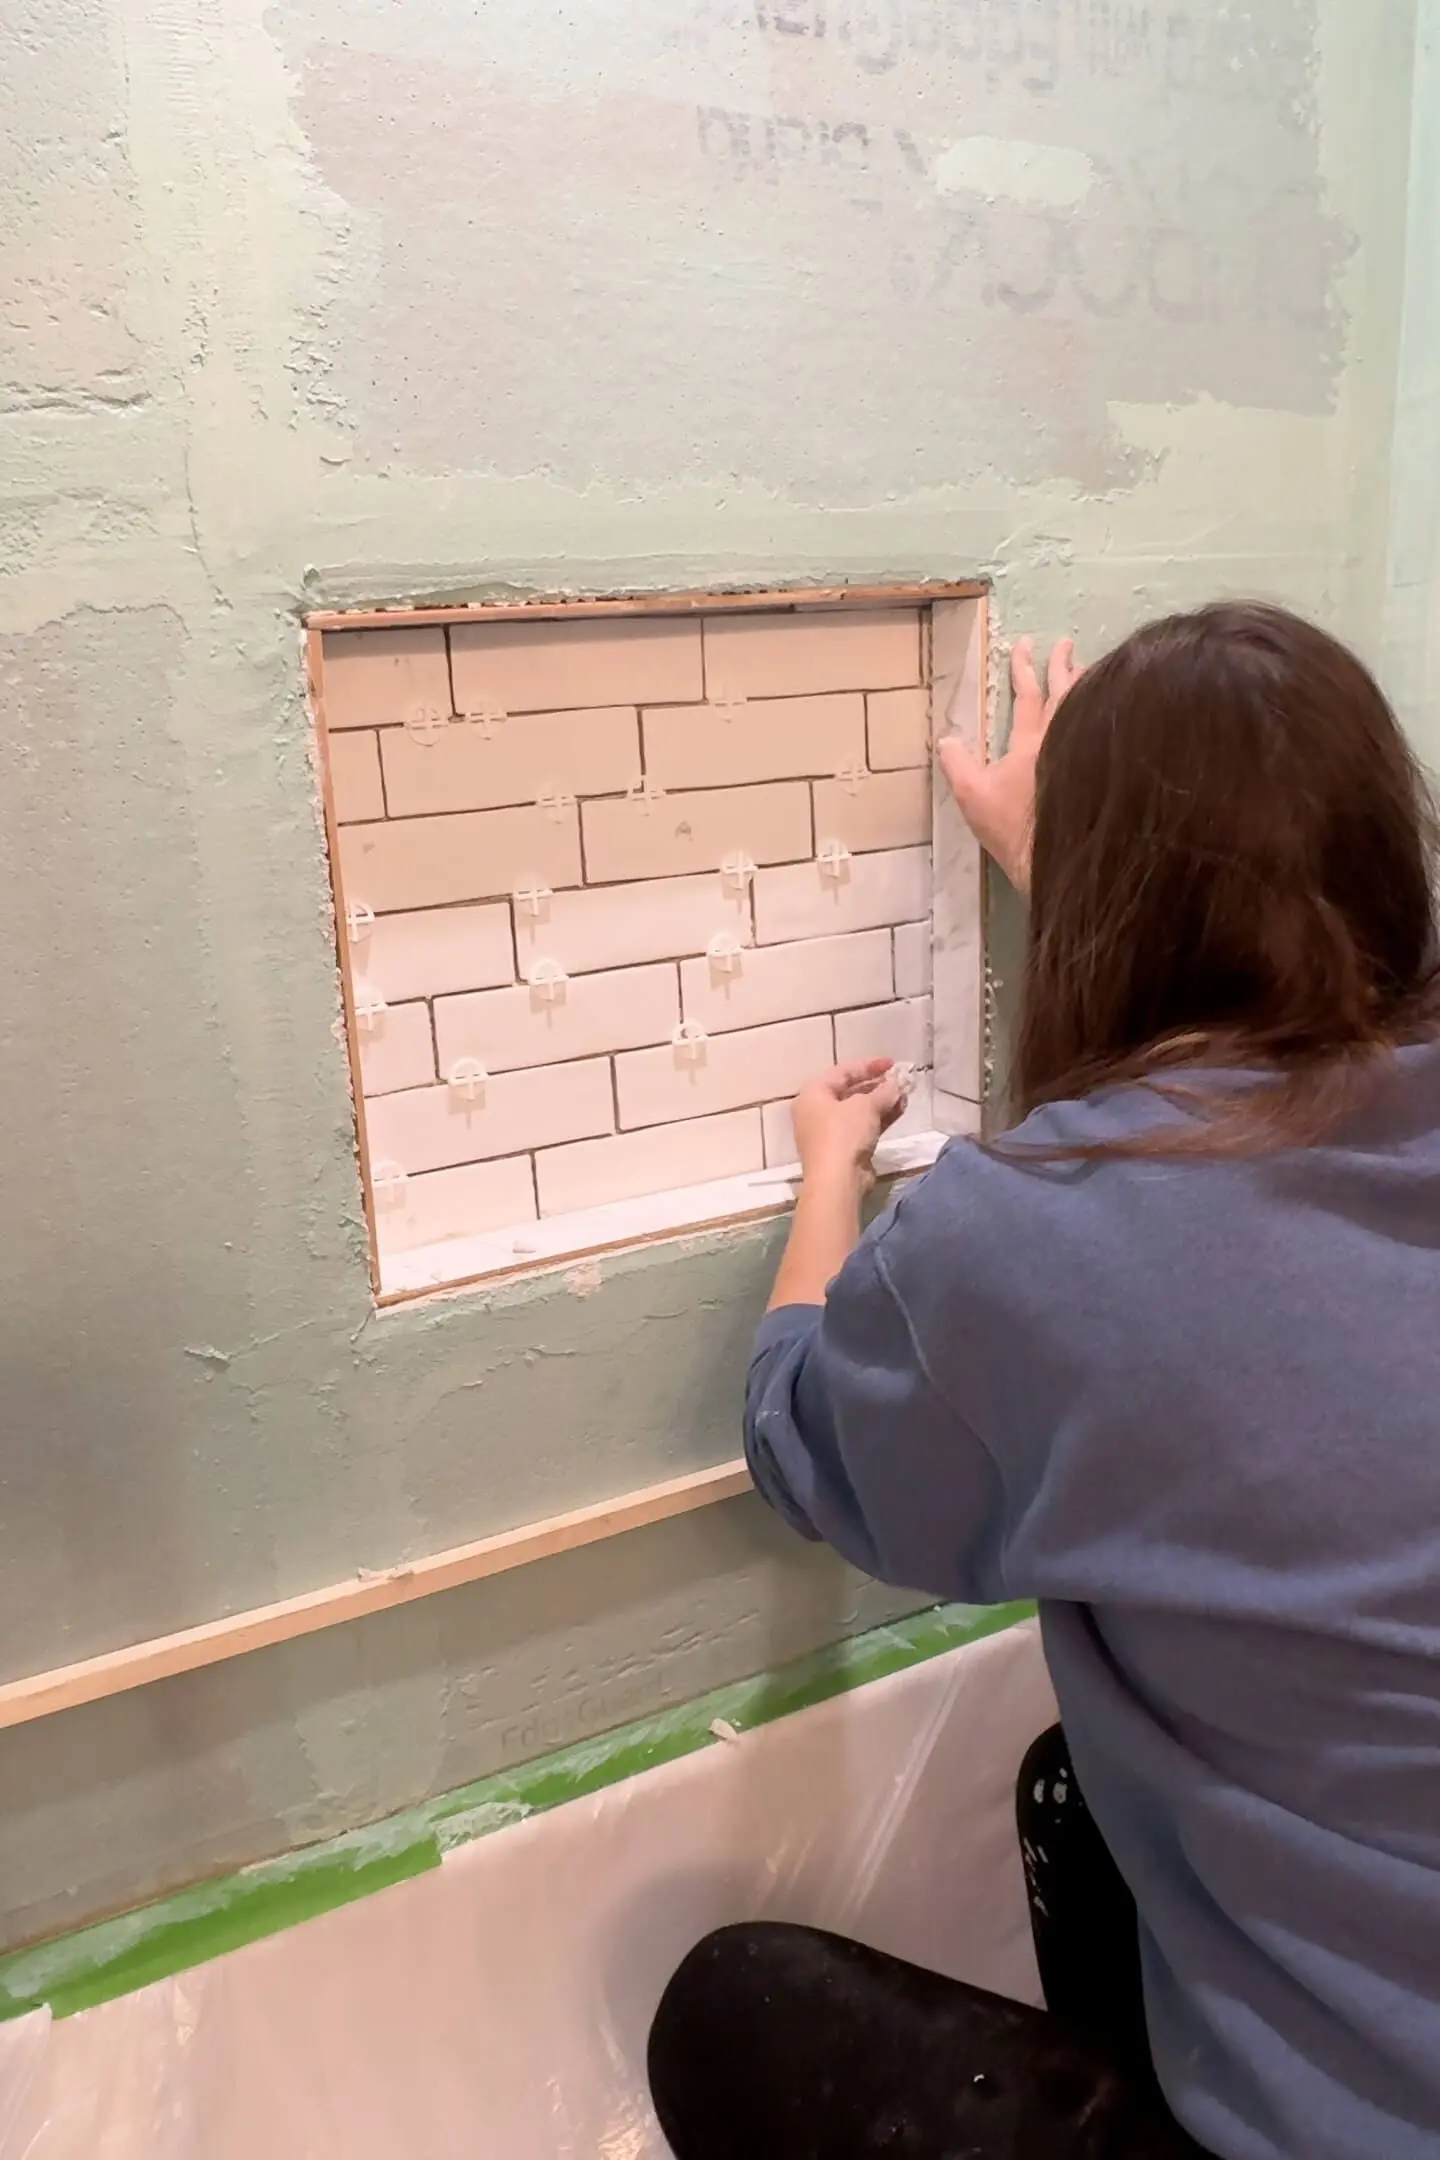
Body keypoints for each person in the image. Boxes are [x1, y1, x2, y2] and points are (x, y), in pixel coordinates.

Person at [647, 604, 1440, 2160]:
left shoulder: (1031, 1238)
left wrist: (828, 1179)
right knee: (1076, 1779)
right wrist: (1098, 884)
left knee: (727, 2007)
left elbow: (800, 1439)